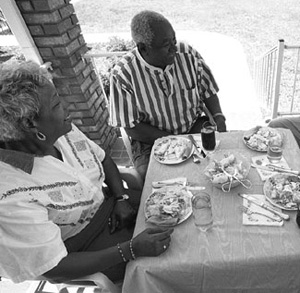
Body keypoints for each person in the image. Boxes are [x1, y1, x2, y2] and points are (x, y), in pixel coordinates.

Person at [0, 60, 174, 285]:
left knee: (179, 213)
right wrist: (129, 249)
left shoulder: (62, 131)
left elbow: (104, 159)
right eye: (56, 104)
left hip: (114, 207)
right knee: (170, 261)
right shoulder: (10, 195)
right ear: (30, 123)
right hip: (88, 251)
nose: (66, 109)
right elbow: (54, 268)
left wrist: (121, 198)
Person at [109, 10, 227, 180]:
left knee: (217, 164)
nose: (174, 49)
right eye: (166, 45)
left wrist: (218, 116)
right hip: (152, 139)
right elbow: (131, 127)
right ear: (143, 48)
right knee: (154, 179)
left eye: (174, 40)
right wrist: (175, 142)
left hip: (192, 126)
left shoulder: (188, 54)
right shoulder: (123, 74)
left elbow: (208, 90)